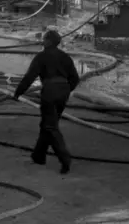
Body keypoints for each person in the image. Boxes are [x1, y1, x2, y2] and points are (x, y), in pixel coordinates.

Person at [12, 28, 80, 174]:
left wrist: (18, 93)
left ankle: (65, 158)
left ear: (48, 41)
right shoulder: (65, 57)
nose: (42, 41)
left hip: (50, 91)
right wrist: (67, 90)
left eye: (44, 39)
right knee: (48, 124)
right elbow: (75, 78)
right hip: (63, 91)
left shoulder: (41, 57)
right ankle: (38, 156)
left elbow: (29, 77)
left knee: (50, 127)